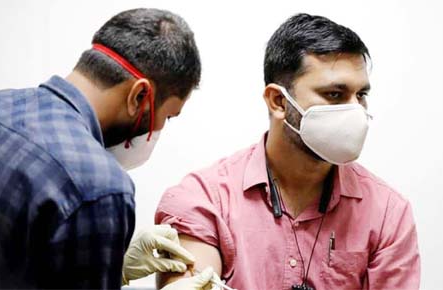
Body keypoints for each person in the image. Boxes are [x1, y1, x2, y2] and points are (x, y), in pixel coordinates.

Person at [155, 13, 421, 290]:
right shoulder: (204, 199)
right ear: (278, 101)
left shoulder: (387, 212)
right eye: (334, 94)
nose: (354, 110)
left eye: (361, 95)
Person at [0, 8, 216, 289]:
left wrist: (116, 268)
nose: (160, 129)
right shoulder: (101, 187)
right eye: (167, 116)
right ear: (140, 95)